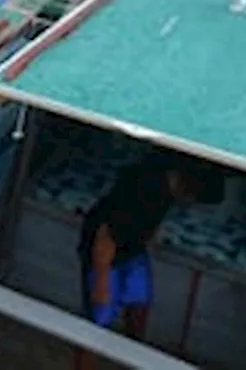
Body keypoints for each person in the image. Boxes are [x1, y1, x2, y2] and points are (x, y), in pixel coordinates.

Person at [74, 154, 201, 368]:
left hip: (133, 248)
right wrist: (102, 282)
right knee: (97, 322)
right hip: (106, 251)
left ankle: (133, 355)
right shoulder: (141, 193)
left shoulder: (166, 184)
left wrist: (149, 238)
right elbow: (104, 237)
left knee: (139, 304)